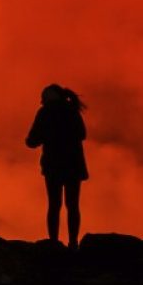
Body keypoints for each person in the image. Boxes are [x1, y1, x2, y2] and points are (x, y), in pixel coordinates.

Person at [25, 84, 88, 249]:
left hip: (53, 165)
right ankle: (73, 242)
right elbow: (82, 134)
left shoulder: (45, 113)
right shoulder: (72, 110)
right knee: (73, 205)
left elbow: (31, 141)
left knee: (54, 205)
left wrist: (48, 137)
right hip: (74, 165)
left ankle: (53, 242)